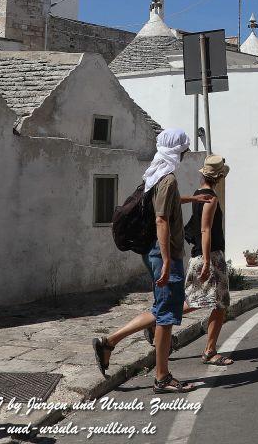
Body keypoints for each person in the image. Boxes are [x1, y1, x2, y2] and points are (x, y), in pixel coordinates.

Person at [93, 128, 211, 393]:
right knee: (167, 315)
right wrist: (169, 260)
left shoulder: (155, 175)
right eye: (184, 150)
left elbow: (163, 204)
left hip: (153, 251)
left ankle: (108, 342)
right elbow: (161, 218)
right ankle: (162, 377)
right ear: (177, 151)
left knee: (162, 308)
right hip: (163, 253)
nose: (185, 154)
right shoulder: (167, 178)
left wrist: (191, 198)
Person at [183, 154, 233, 366]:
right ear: (219, 177)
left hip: (202, 254)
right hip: (210, 255)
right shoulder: (211, 198)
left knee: (195, 300)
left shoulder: (198, 194)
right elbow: (205, 229)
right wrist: (207, 261)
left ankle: (155, 321)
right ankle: (210, 351)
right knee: (220, 303)